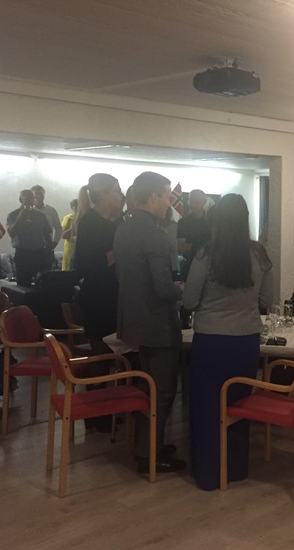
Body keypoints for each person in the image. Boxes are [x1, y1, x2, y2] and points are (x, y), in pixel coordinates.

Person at [182, 193, 273, 491]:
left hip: (211, 341)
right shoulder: (259, 254)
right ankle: (235, 468)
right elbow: (267, 299)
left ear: (216, 219)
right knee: (238, 404)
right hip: (245, 341)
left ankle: (209, 473)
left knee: (207, 406)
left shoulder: (205, 255)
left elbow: (189, 300)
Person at [114, 171, 186, 474]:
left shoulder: (124, 228)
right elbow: (163, 288)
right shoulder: (156, 234)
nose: (170, 202)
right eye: (167, 196)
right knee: (163, 391)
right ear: (154, 196)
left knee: (149, 387)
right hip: (157, 323)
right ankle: (149, 455)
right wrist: (181, 289)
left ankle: (148, 444)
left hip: (133, 318)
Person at [74, 174, 125, 432]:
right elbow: (84, 264)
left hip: (107, 295)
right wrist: (120, 250)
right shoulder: (91, 222)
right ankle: (94, 413)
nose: (120, 195)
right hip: (98, 297)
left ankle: (102, 409)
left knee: (105, 354)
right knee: (101, 355)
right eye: (116, 190)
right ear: (103, 194)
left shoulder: (106, 222)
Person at [6, 188, 53, 287]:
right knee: (23, 287)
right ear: (20, 200)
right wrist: (21, 215)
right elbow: (12, 233)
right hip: (23, 255)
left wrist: (49, 252)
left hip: (40, 255)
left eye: (32, 198)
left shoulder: (40, 216)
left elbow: (47, 234)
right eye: (27, 198)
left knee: (43, 285)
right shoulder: (13, 215)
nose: (30, 201)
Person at [176, 188, 211, 280]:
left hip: (210, 265)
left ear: (204, 202)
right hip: (189, 264)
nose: (193, 205)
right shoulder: (183, 222)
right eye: (191, 201)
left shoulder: (211, 222)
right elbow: (181, 246)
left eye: (196, 202)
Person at [30, 184, 62, 250]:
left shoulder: (51, 210)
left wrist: (55, 243)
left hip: (47, 246)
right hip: (31, 247)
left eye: (41, 194)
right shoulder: (28, 211)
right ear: (31, 196)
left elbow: (58, 228)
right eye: (36, 194)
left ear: (44, 195)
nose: (39, 196)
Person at [60, 198, 78, 270]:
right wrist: (73, 226)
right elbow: (64, 235)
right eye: (76, 206)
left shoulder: (85, 218)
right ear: (72, 207)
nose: (78, 208)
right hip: (70, 249)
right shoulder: (69, 218)